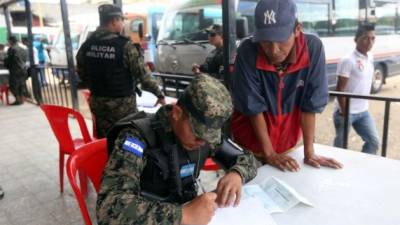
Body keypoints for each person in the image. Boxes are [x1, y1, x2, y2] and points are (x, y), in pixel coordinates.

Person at [97, 74, 258, 225]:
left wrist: (237, 174)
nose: (202, 143)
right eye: (197, 134)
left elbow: (247, 158)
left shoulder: (205, 137)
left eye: (208, 137)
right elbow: (108, 209)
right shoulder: (136, 137)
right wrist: (183, 215)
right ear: (177, 113)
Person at [230, 0, 343, 172]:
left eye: (280, 39)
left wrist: (309, 152)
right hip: (248, 145)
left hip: (288, 144)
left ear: (297, 29)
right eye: (266, 41)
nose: (273, 50)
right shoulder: (248, 50)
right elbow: (253, 107)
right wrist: (270, 154)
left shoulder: (312, 48)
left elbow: (310, 104)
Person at [76, 4, 166, 138]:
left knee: (105, 140)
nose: (123, 23)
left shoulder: (87, 44)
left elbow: (81, 71)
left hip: (98, 104)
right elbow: (143, 75)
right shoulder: (124, 45)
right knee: (127, 139)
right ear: (114, 21)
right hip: (122, 107)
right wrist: (159, 95)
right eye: (121, 20)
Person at [333, 24, 380, 155]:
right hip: (345, 113)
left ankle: (361, 168)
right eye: (365, 38)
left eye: (373, 38)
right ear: (356, 39)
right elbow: (340, 89)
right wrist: (345, 112)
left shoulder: (370, 56)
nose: (370, 42)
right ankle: (337, 172)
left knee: (373, 142)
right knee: (340, 148)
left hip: (363, 112)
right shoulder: (348, 60)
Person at [4, 36, 28, 105]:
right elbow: (25, 58)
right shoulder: (23, 48)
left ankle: (18, 100)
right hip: (23, 69)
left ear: (11, 41)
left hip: (15, 70)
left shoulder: (12, 49)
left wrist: (6, 63)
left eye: (8, 41)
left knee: (13, 85)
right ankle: (21, 99)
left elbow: (9, 60)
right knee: (21, 85)